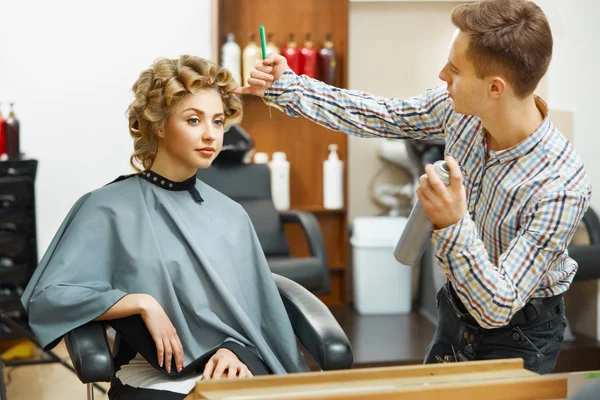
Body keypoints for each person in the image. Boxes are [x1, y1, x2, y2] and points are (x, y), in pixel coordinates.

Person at [236, 0, 591, 374]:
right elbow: (384, 114)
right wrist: (290, 87)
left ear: (495, 88)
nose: (442, 75)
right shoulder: (460, 112)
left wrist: (453, 224)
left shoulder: (559, 185)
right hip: (457, 311)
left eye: (454, 69)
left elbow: (497, 307)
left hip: (520, 334)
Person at [21, 55, 308, 400]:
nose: (210, 135)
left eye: (218, 122)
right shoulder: (106, 207)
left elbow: (259, 317)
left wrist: (237, 351)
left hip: (234, 362)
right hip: (152, 367)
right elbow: (50, 296)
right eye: (193, 120)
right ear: (158, 124)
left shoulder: (231, 215)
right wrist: (139, 302)